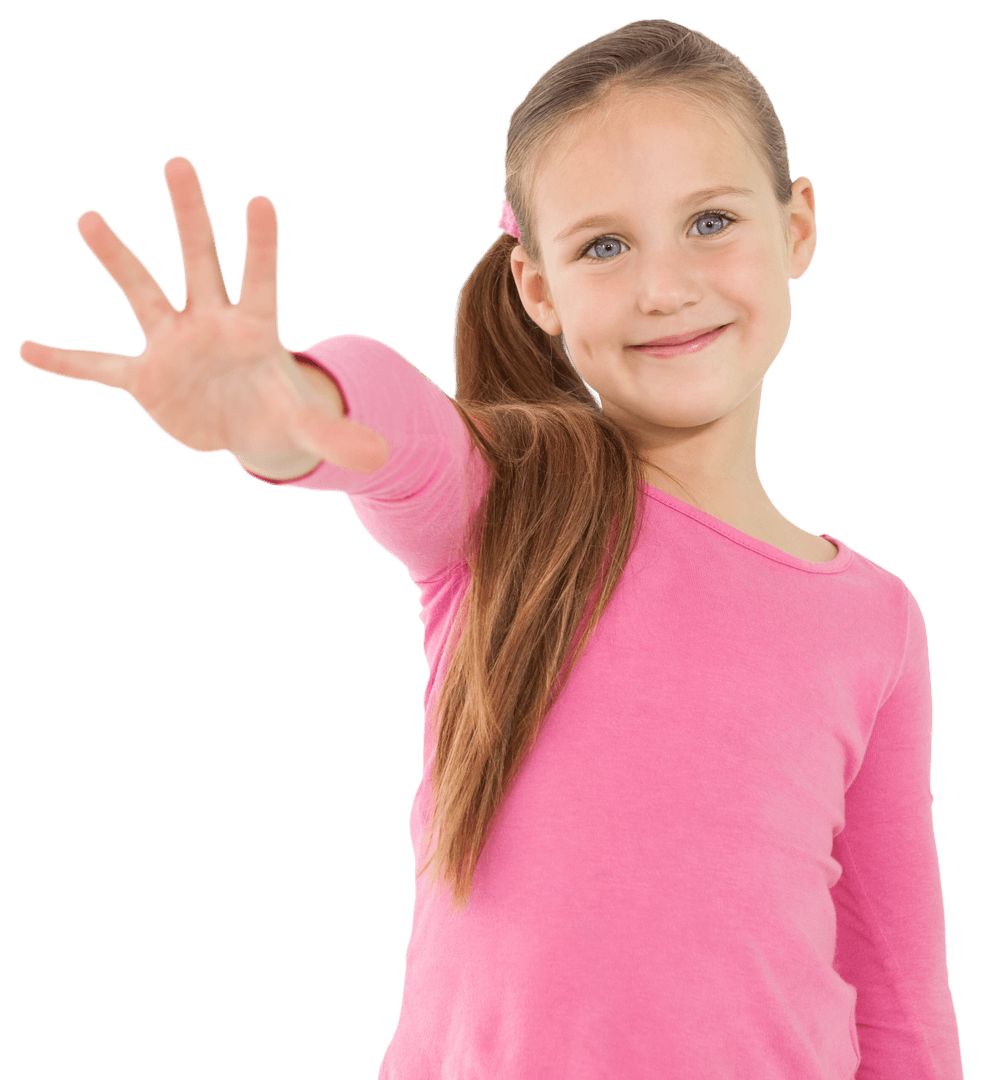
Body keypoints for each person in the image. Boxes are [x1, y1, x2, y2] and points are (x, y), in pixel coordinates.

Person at [18, 18, 964, 1080]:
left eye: (709, 220)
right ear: (536, 288)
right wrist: (284, 402)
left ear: (795, 227)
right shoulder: (508, 498)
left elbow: (897, 991)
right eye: (604, 245)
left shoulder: (872, 616)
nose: (663, 286)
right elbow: (393, 432)